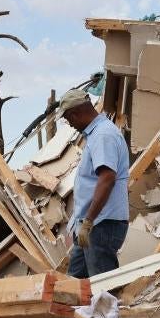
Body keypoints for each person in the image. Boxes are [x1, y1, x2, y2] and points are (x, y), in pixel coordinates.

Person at [59, 88, 129, 278]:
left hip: (101, 224)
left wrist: (89, 221)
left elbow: (107, 178)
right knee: (75, 283)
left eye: (68, 119)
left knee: (103, 288)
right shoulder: (98, 134)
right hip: (91, 225)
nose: (70, 124)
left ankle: (107, 308)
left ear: (75, 113)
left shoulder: (103, 135)